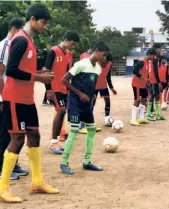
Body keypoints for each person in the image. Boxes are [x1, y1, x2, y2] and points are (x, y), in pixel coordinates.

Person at [0, 4, 59, 203]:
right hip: (14, 98)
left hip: (27, 99)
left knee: (34, 135)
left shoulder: (29, 41)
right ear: (32, 19)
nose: (45, 26)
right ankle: (2, 187)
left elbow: (24, 69)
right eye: (43, 22)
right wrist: (38, 78)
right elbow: (11, 70)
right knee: (18, 140)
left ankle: (37, 182)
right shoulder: (21, 40)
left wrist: (38, 74)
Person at [59, 41, 110, 175]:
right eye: (104, 55)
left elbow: (91, 86)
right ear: (97, 51)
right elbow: (64, 80)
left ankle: (87, 161)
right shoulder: (81, 64)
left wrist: (91, 96)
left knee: (92, 130)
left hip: (86, 105)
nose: (105, 59)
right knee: (75, 130)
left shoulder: (98, 68)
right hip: (75, 103)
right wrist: (80, 94)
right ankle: (64, 162)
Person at [0, 17, 27, 181]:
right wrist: (4, 97)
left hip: (15, 96)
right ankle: (0, 168)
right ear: (15, 30)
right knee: (3, 133)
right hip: (3, 98)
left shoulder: (14, 47)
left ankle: (13, 164)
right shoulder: (4, 46)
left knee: (15, 132)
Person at [45, 30, 80, 154]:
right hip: (54, 88)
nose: (73, 46)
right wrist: (48, 90)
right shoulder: (52, 51)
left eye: (75, 45)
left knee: (62, 112)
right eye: (72, 43)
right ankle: (53, 142)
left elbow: (68, 71)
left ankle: (56, 140)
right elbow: (46, 71)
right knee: (61, 111)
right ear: (65, 40)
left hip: (64, 88)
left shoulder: (68, 54)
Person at [130, 48, 156, 125]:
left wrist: (147, 83)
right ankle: (133, 119)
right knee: (137, 100)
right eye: (153, 56)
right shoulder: (141, 62)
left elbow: (146, 74)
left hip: (143, 84)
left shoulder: (148, 63)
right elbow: (134, 71)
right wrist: (144, 78)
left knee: (144, 100)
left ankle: (141, 118)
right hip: (137, 84)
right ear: (150, 55)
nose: (154, 58)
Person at [93, 53, 117, 125]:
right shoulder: (95, 63)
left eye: (107, 62)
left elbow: (108, 77)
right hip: (94, 86)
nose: (105, 63)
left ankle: (107, 119)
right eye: (104, 60)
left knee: (107, 102)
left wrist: (112, 88)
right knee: (92, 103)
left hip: (103, 86)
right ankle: (89, 120)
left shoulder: (109, 64)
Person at [147, 48, 165, 121]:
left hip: (152, 80)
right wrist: (159, 82)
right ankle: (149, 114)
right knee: (153, 96)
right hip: (154, 81)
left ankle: (158, 114)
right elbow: (155, 71)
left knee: (156, 96)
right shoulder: (154, 60)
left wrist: (161, 57)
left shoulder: (153, 60)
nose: (160, 51)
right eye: (159, 50)